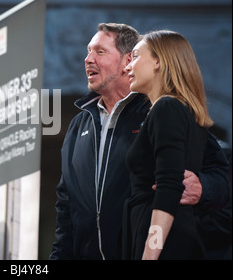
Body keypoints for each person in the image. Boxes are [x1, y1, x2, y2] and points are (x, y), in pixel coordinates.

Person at [49, 23, 230, 260]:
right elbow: (66, 206)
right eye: (87, 51)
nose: (88, 59)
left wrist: (204, 187)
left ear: (127, 61)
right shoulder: (79, 125)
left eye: (99, 52)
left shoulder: (161, 108)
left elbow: (215, 178)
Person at [123, 30, 222, 259]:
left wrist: (150, 253)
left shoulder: (167, 108)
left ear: (158, 62)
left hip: (164, 244)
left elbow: (168, 188)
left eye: (136, 56)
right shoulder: (179, 111)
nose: (128, 67)